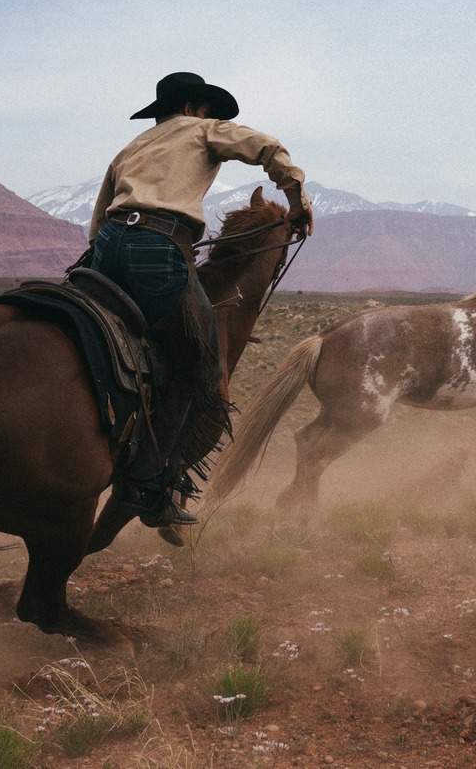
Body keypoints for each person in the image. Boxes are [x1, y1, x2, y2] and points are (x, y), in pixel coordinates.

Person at [84, 71, 312, 528]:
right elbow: (269, 149)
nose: (210, 117)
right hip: (158, 247)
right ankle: (150, 483)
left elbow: (96, 224)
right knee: (205, 365)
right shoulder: (202, 130)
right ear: (191, 108)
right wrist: (297, 201)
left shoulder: (131, 147)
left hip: (106, 249)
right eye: (207, 110)